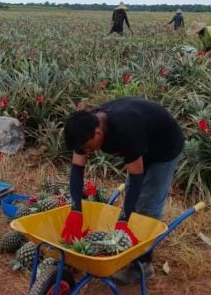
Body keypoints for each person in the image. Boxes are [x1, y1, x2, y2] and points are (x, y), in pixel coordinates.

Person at [61, 98, 184, 284]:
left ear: (98, 132)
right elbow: (77, 169)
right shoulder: (85, 128)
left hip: (164, 147)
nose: (87, 151)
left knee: (147, 206)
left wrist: (125, 218)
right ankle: (128, 251)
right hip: (142, 141)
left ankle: (142, 266)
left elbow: (136, 177)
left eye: (88, 147)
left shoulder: (125, 128)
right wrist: (76, 209)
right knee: (133, 198)